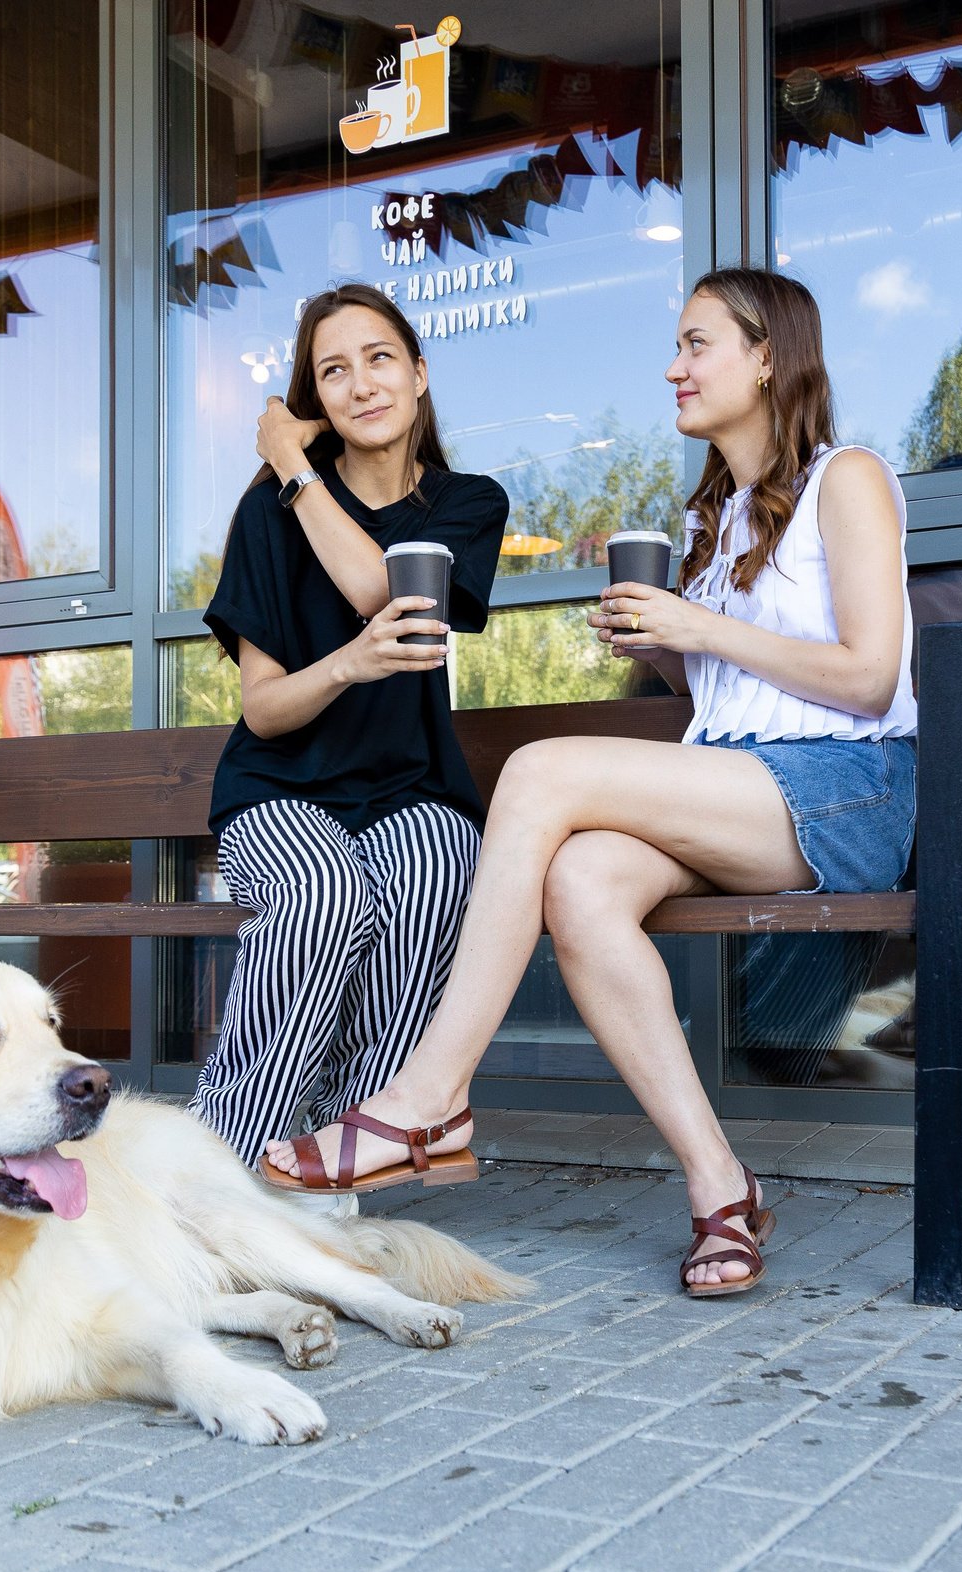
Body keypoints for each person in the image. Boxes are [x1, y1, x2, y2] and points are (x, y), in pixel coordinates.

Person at [260, 267, 916, 1298]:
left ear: (768, 356)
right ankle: (720, 1188)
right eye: (678, 345)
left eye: (697, 344)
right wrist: (663, 644)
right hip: (738, 784)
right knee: (581, 883)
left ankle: (428, 1095)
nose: (674, 367)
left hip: (847, 791)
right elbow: (735, 691)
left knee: (538, 773)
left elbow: (869, 676)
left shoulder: (850, 478)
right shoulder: (720, 522)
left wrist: (696, 626)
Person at [186, 284, 509, 1174]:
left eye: (378, 358)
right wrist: (347, 664)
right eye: (334, 370)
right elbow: (263, 706)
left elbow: (390, 588)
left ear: (418, 372)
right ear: (315, 399)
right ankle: (224, 1156)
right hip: (278, 791)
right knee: (326, 894)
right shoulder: (266, 516)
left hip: (409, 790)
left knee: (442, 867)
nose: (362, 383)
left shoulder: (467, 503)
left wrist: (295, 468)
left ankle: (343, 1146)